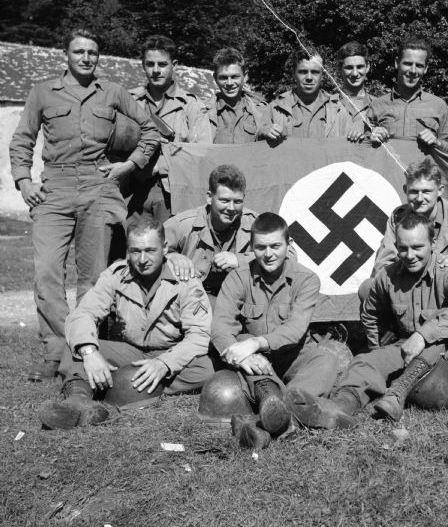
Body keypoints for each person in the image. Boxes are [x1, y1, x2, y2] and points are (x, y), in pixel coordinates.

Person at [9, 28, 161, 382]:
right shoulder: (43, 92)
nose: (86, 58)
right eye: (79, 51)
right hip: (54, 188)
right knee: (46, 273)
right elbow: (22, 140)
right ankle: (56, 351)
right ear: (66, 54)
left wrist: (128, 164)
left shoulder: (112, 92)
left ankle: (83, 350)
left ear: (98, 57)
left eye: (92, 52)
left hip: (98, 185)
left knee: (92, 279)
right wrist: (24, 180)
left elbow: (150, 130)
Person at [287, 211, 448, 429]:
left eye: (417, 247)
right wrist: (378, 347)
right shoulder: (387, 276)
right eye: (403, 248)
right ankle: (339, 407)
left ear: (432, 244)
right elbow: (370, 314)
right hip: (406, 347)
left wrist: (423, 335)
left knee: (435, 342)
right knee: (365, 361)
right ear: (396, 246)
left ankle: (398, 392)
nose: (410, 255)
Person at [39, 217, 214, 430]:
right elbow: (83, 314)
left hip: (169, 352)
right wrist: (90, 353)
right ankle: (78, 400)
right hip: (129, 351)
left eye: (150, 250)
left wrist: (164, 364)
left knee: (206, 369)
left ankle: (123, 383)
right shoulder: (116, 274)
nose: (142, 259)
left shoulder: (186, 281)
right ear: (128, 251)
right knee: (76, 345)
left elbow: (198, 336)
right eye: (135, 251)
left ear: (165, 248)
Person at [211, 212, 338, 448]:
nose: (268, 254)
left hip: (292, 354)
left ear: (289, 245)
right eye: (261, 247)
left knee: (326, 359)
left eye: (275, 246)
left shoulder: (307, 279)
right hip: (255, 362)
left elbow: (295, 329)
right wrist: (243, 353)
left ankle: (271, 418)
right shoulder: (238, 278)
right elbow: (220, 325)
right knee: (249, 350)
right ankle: (280, 411)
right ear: (251, 247)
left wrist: (257, 342)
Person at [362, 157, 448, 300]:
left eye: (426, 191)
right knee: (368, 288)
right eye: (413, 192)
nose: (419, 198)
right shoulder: (398, 218)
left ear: (440, 190)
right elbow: (384, 264)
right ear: (405, 190)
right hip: (411, 289)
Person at [129, 34, 212, 222]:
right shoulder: (129, 101)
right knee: (132, 248)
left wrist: (159, 166)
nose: (156, 70)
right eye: (150, 64)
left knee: (169, 247)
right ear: (142, 64)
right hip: (132, 189)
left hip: (174, 192)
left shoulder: (191, 105)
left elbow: (202, 152)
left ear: (174, 64)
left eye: (162, 64)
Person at [164, 165, 257, 307]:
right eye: (224, 201)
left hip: (242, 299)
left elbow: (289, 253)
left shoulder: (255, 223)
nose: (231, 208)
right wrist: (173, 256)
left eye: (237, 201)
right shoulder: (184, 224)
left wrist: (239, 260)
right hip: (195, 300)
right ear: (209, 197)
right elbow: (145, 250)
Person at [367, 37, 448, 154]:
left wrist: (437, 143)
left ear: (425, 68)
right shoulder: (377, 105)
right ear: (397, 63)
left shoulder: (439, 106)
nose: (413, 71)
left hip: (425, 171)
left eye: (419, 66)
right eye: (408, 63)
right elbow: (361, 150)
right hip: (386, 171)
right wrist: (371, 138)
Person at [257, 51, 342, 145]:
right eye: (303, 72)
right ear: (294, 74)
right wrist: (262, 133)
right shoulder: (275, 108)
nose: (309, 77)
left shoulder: (337, 108)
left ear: (323, 74)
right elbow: (257, 149)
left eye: (315, 72)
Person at [207, 47, 266, 143]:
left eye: (235, 77)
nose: (229, 83)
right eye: (223, 78)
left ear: (245, 76)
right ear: (215, 78)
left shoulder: (261, 110)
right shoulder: (203, 113)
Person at [335, 41, 373, 143]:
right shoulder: (329, 104)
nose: (355, 73)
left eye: (360, 67)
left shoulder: (379, 105)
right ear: (340, 68)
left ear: (367, 67)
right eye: (349, 67)